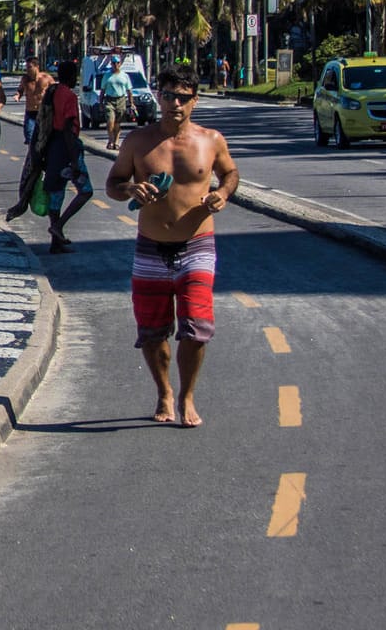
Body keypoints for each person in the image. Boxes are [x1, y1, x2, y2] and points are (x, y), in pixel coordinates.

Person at [106, 64, 240, 428]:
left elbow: (230, 173)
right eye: (168, 96)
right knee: (152, 331)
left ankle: (187, 396)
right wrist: (131, 189)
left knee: (196, 327)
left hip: (197, 244)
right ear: (158, 97)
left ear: (194, 101)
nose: (175, 104)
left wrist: (222, 193)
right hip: (150, 246)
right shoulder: (138, 141)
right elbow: (113, 184)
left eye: (182, 97)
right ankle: (164, 391)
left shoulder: (210, 140)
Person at [42, 59, 94, 254]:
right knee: (86, 191)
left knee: (56, 194)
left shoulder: (52, 91)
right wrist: (74, 161)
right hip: (67, 148)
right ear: (71, 76)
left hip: (53, 147)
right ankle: (59, 226)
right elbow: (67, 129)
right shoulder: (69, 96)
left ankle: (56, 242)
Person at [18, 57, 53, 145]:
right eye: (26, 67)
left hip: (43, 112)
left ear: (37, 67)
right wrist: (17, 95)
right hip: (30, 112)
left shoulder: (46, 78)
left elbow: (56, 90)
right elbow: (20, 90)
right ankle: (33, 156)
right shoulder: (25, 79)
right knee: (29, 137)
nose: (27, 70)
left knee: (45, 137)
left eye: (29, 67)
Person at [100, 60, 133, 150]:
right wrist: (101, 103)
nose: (115, 65)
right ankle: (111, 140)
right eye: (114, 63)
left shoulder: (125, 76)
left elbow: (129, 91)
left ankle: (116, 141)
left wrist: (131, 103)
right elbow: (102, 90)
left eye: (117, 63)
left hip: (121, 100)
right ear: (111, 64)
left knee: (117, 123)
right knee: (110, 121)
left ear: (120, 64)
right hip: (109, 100)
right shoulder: (107, 76)